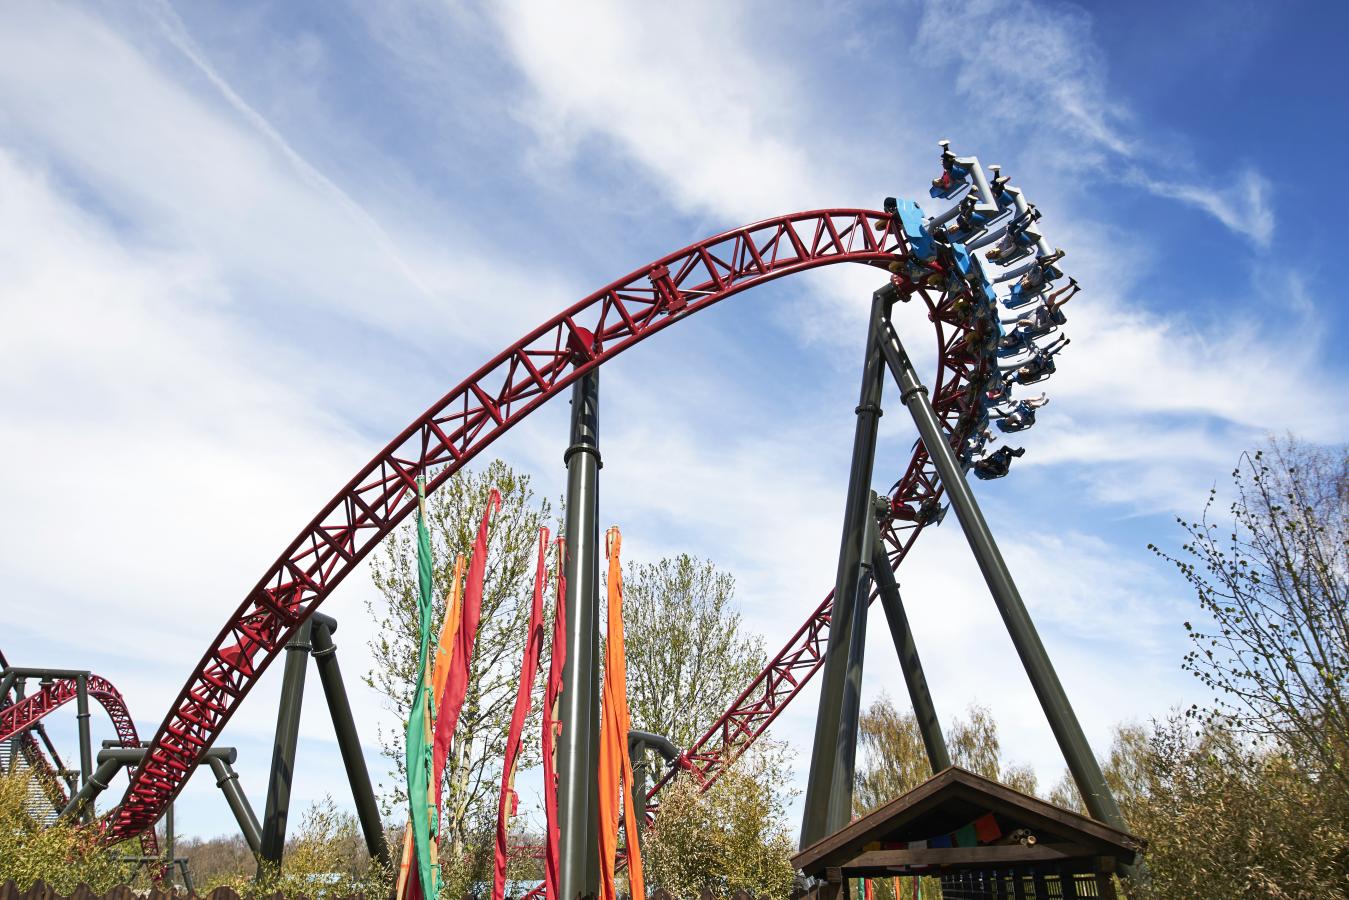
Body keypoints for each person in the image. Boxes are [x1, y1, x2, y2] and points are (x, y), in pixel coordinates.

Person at [999, 278, 1080, 350]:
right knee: (1056, 305)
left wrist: (1043, 306)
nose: (1006, 341)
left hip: (1045, 309)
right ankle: (1074, 291)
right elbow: (1048, 324)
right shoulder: (1035, 328)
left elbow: (1035, 311)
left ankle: (1070, 284)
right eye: (1006, 343)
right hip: (1052, 317)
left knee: (1052, 296)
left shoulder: (1018, 328)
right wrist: (1048, 314)